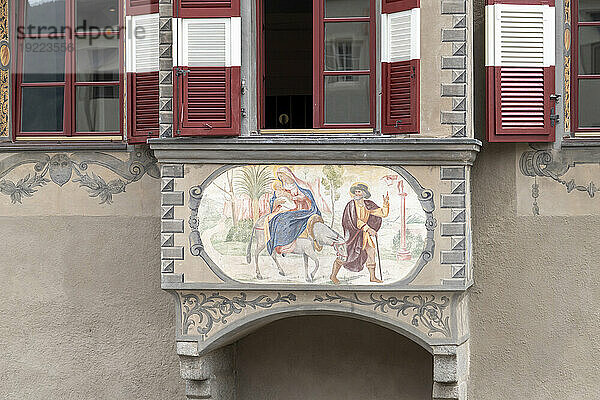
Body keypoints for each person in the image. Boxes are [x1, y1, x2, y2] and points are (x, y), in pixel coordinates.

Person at [331, 183, 390, 284]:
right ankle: (333, 276)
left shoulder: (368, 205)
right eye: (356, 192)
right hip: (352, 235)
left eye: (359, 192)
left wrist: (385, 204)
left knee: (371, 251)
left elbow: (382, 213)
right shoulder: (351, 205)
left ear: (364, 193)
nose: (357, 194)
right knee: (345, 254)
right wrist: (368, 228)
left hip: (364, 235)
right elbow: (353, 221)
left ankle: (372, 277)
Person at [265, 167, 321, 255]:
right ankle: (282, 245)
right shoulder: (281, 188)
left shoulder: (299, 185)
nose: (282, 179)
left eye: (283, 176)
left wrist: (299, 198)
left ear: (289, 175)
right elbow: (273, 201)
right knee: (278, 220)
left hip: (301, 209)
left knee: (286, 219)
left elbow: (308, 197)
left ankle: (288, 244)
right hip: (286, 209)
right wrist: (276, 202)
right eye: (280, 178)